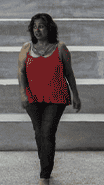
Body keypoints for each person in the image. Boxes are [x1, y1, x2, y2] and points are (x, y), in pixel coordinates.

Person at [18, 13, 81, 185]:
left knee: (47, 133)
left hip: (56, 97)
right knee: (40, 135)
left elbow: (69, 72)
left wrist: (75, 95)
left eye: (41, 26)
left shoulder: (60, 47)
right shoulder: (26, 48)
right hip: (33, 98)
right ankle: (46, 166)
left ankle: (44, 175)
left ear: (49, 28)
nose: (37, 30)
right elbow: (21, 73)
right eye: (34, 26)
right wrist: (23, 95)